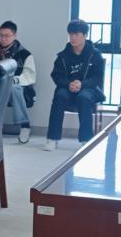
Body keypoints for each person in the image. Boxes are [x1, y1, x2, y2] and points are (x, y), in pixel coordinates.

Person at [42, 19, 105, 150]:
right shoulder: (63, 56)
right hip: (68, 88)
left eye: (76, 34)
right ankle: (52, 138)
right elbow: (56, 75)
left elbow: (97, 77)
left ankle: (86, 140)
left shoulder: (95, 55)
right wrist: (68, 84)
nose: (73, 37)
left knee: (84, 97)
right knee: (60, 96)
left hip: (89, 89)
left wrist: (82, 84)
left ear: (85, 35)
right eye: (71, 34)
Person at [0, 20, 36, 142]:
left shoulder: (25, 54)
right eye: (1, 35)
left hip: (18, 89)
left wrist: (13, 80)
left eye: (7, 36)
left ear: (15, 35)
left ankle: (25, 126)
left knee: (14, 88)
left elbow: (30, 76)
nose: (3, 39)